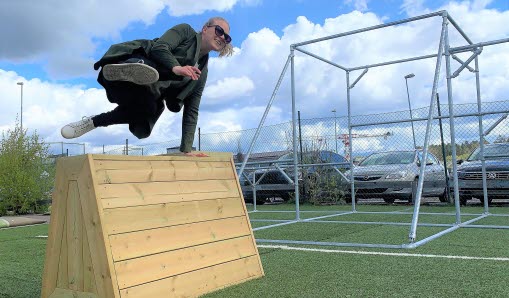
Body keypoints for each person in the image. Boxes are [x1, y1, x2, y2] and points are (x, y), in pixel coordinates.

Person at [61, 17, 233, 154]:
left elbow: (192, 109)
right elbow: (160, 47)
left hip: (146, 92)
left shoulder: (202, 71)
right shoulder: (186, 31)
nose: (222, 37)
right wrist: (177, 68)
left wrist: (186, 149)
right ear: (205, 28)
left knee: (146, 111)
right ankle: (129, 71)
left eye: (226, 37)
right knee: (147, 66)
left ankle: (92, 122)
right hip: (139, 64)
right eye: (219, 31)